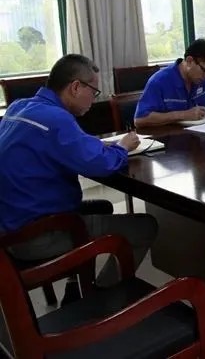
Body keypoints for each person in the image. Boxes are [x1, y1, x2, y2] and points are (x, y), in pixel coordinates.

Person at [0, 54, 158, 289]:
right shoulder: (56, 119)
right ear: (75, 87)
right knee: (145, 226)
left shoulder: (19, 107)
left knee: (102, 207)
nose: (94, 99)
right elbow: (101, 165)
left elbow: (69, 146)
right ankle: (104, 296)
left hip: (9, 222)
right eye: (93, 92)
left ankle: (76, 284)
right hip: (34, 234)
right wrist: (123, 147)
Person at [134, 39, 205, 128]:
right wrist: (182, 115)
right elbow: (140, 120)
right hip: (169, 137)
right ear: (189, 61)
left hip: (201, 136)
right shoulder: (160, 81)